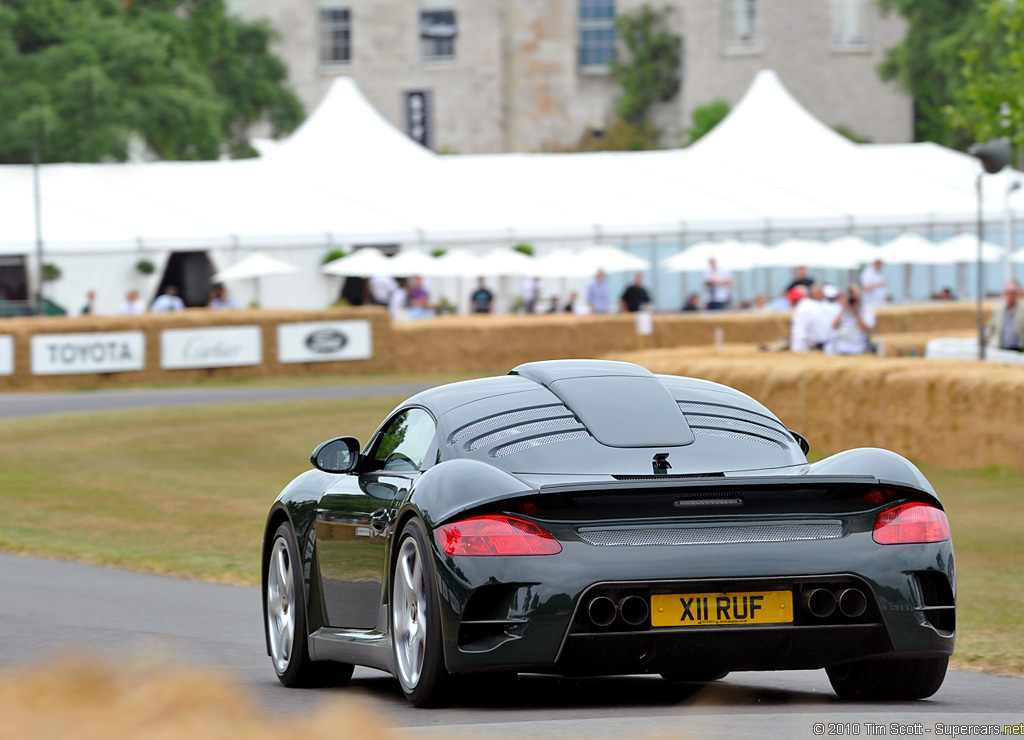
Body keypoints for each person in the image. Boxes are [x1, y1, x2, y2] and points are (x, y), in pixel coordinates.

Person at [827, 285, 876, 355]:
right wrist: (843, 309)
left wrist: (855, 312)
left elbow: (865, 328)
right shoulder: (841, 307)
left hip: (858, 345)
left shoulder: (867, 308)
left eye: (856, 297)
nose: (853, 299)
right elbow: (834, 326)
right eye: (852, 296)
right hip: (841, 344)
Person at [790, 285, 833, 352]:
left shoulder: (805, 306)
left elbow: (799, 332)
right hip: (817, 346)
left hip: (824, 345)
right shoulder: (807, 305)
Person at [987, 279, 1024, 351]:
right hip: (1002, 348)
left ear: (1016, 293)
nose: (1010, 295)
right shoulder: (998, 310)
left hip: (1019, 348)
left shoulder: (1023, 310)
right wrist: (985, 340)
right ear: (1005, 294)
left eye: (1012, 293)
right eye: (1008, 292)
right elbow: (991, 327)